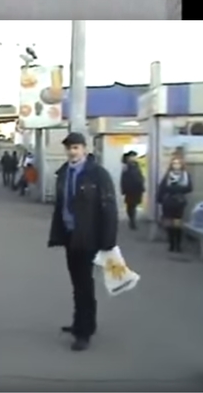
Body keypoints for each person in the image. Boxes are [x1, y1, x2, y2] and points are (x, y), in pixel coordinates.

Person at [48, 132, 118, 351]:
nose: (72, 151)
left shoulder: (98, 174)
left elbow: (109, 208)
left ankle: (84, 331)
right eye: (69, 148)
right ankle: (82, 322)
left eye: (76, 147)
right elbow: (61, 206)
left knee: (84, 284)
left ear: (85, 149)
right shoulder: (64, 173)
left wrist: (108, 241)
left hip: (89, 237)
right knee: (77, 283)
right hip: (70, 236)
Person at [157, 154, 193, 252]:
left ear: (182, 165)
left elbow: (189, 188)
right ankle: (171, 244)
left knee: (177, 224)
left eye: (178, 163)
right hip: (168, 202)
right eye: (174, 163)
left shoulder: (185, 175)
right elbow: (163, 188)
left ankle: (178, 244)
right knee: (169, 224)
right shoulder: (168, 175)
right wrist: (160, 199)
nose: (176, 165)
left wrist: (175, 189)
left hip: (179, 203)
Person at [120, 150, 145, 229]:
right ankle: (132, 220)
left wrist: (142, 183)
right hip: (130, 188)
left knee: (133, 205)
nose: (134, 158)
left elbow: (139, 175)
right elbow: (123, 178)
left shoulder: (136, 165)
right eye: (133, 156)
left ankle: (132, 220)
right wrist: (123, 189)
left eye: (135, 156)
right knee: (131, 205)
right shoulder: (126, 166)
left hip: (137, 188)